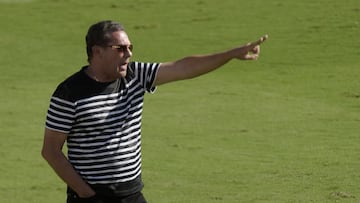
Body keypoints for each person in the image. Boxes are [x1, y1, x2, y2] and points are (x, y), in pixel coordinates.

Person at [41, 20, 268, 203]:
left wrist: (231, 54)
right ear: (97, 52)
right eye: (120, 49)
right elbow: (51, 151)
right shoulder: (70, 93)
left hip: (131, 193)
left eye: (130, 47)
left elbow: (184, 67)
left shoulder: (136, 75)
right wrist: (85, 193)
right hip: (92, 197)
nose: (128, 54)